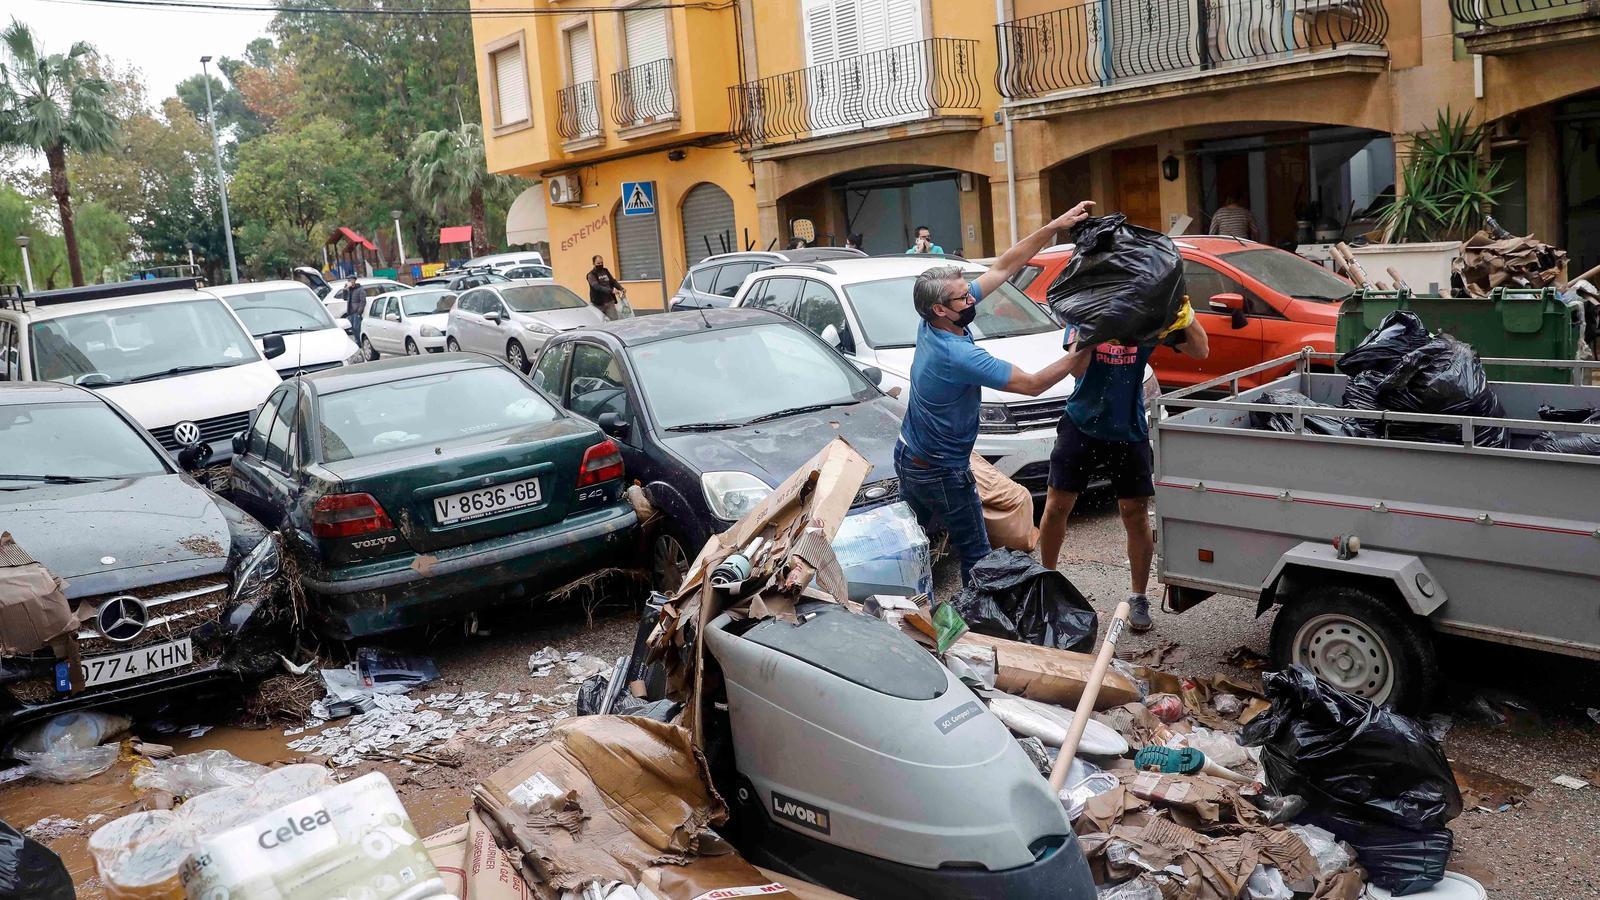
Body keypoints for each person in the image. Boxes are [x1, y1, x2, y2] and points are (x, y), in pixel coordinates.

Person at [896, 201, 1096, 584]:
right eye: (963, 298)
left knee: (918, 548)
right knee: (976, 555)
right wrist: (1086, 344)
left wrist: (1056, 224)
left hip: (912, 455)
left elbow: (1004, 267)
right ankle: (984, 634)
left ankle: (915, 614)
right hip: (941, 469)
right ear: (940, 308)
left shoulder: (935, 322)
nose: (972, 299)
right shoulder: (957, 354)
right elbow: (1034, 384)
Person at [1037, 297, 1210, 632]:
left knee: (1134, 512)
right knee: (1057, 506)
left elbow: (1200, 350)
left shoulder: (1147, 318)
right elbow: (1077, 367)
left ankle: (1138, 596)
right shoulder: (1086, 311)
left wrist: (1184, 311)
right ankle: (1047, 582)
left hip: (1127, 428)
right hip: (1081, 422)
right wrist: (1099, 324)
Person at [586, 255, 623, 321]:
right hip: (598, 303)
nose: (600, 264)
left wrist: (621, 288)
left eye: (602, 263)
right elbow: (596, 286)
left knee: (615, 320)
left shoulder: (605, 271)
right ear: (593, 263)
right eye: (598, 263)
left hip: (609, 301)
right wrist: (611, 290)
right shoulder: (591, 275)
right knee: (600, 321)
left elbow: (612, 281)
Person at [344, 276, 368, 343]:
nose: (350, 281)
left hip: (356, 311)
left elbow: (363, 301)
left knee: (357, 327)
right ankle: (358, 341)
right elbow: (344, 298)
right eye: (348, 280)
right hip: (350, 311)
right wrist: (345, 289)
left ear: (354, 280)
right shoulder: (349, 289)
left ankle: (360, 342)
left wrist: (359, 311)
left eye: (351, 280)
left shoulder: (360, 289)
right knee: (352, 328)